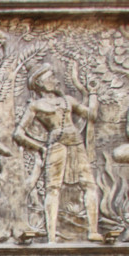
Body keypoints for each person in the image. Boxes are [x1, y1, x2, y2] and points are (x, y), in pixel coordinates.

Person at [13, 64, 102, 243]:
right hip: (56, 145)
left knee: (89, 185)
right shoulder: (36, 106)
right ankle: (51, 236)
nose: (56, 80)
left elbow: (91, 115)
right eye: (51, 77)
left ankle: (93, 231)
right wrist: (40, 147)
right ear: (40, 82)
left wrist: (92, 93)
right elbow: (18, 133)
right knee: (53, 189)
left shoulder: (67, 100)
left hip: (76, 143)